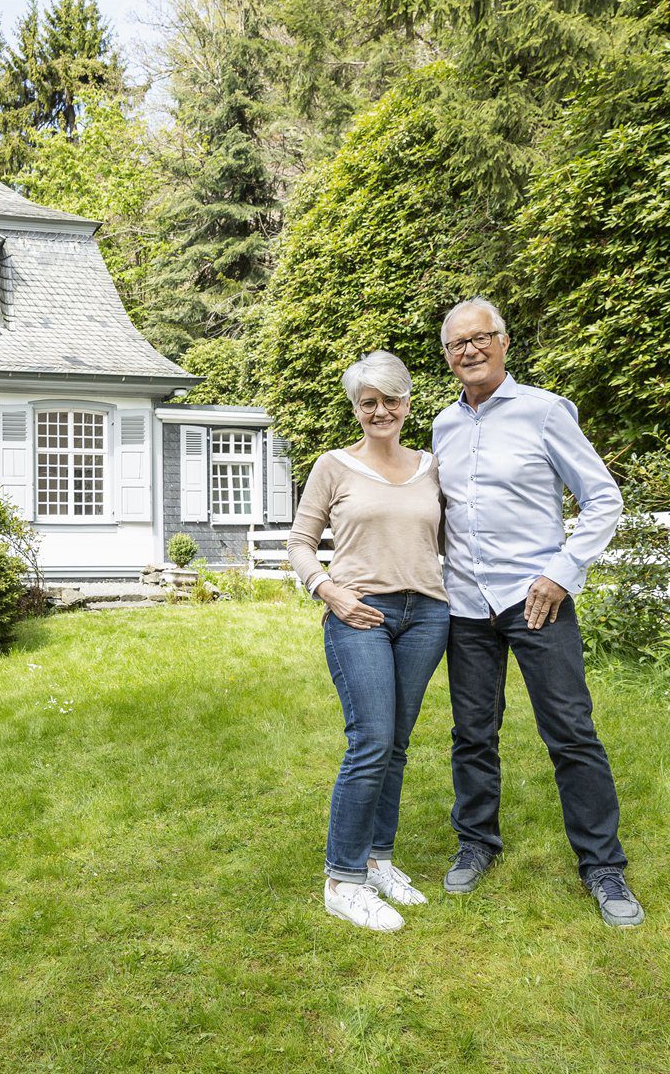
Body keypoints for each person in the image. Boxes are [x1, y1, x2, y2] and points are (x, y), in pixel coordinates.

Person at [431, 296, 644, 927]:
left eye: (480, 338)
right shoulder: (442, 426)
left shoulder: (545, 412)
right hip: (467, 605)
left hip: (537, 602)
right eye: (456, 344)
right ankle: (477, 843)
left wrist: (560, 572)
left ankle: (603, 866)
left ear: (503, 342)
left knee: (570, 732)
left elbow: (603, 499)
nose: (469, 350)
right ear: (447, 357)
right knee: (472, 733)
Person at [288, 351, 450, 933]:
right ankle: (342, 879)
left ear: (408, 402)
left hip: (429, 615)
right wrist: (327, 591)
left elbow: (456, 539)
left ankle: (378, 859)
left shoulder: (433, 466)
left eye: (391, 399)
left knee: (397, 743)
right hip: (361, 613)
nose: (381, 410)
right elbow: (300, 543)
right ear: (356, 408)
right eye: (368, 402)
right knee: (371, 739)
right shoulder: (333, 466)